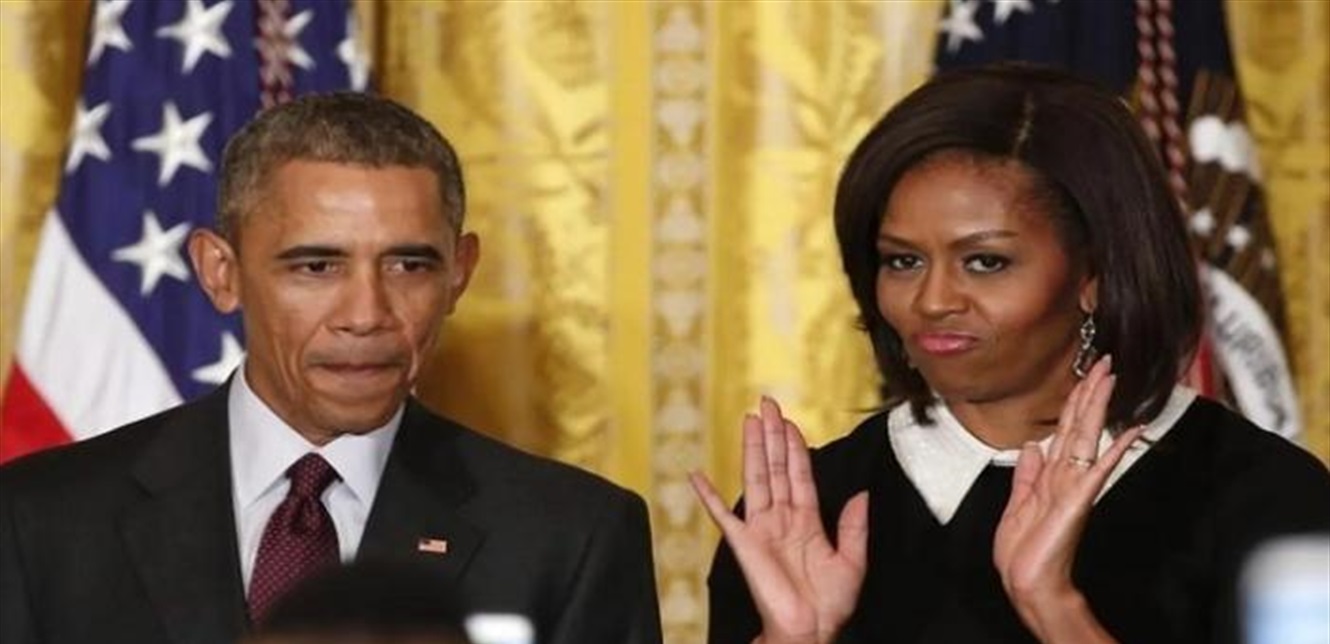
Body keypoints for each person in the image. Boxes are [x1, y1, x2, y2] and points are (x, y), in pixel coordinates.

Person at [691, 64, 1330, 644]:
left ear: (1096, 274)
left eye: (985, 262)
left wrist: (1055, 608)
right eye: (903, 261)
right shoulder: (809, 510)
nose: (932, 300)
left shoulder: (1265, 497)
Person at [0, 92, 661, 644]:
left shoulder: (572, 537)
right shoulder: (38, 523)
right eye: (317, 266)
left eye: (409, 265)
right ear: (221, 273)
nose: (366, 315)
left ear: (459, 274)